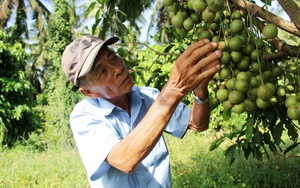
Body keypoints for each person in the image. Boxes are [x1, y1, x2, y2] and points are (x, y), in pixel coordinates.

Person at [61, 35, 221, 188]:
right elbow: (124, 159)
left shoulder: (148, 96)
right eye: (102, 71)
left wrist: (200, 90)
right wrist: (174, 88)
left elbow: (197, 124)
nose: (118, 69)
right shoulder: (84, 116)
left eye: (114, 58)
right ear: (89, 92)